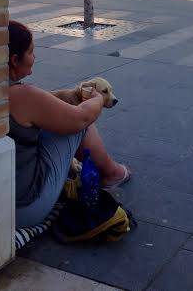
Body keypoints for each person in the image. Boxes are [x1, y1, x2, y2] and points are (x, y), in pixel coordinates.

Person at [8, 20, 130, 228]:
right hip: (23, 209)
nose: (35, 57)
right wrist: (97, 99)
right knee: (80, 122)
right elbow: (80, 118)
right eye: (31, 52)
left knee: (64, 113)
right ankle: (112, 174)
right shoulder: (22, 96)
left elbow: (41, 105)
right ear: (14, 59)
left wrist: (60, 97)